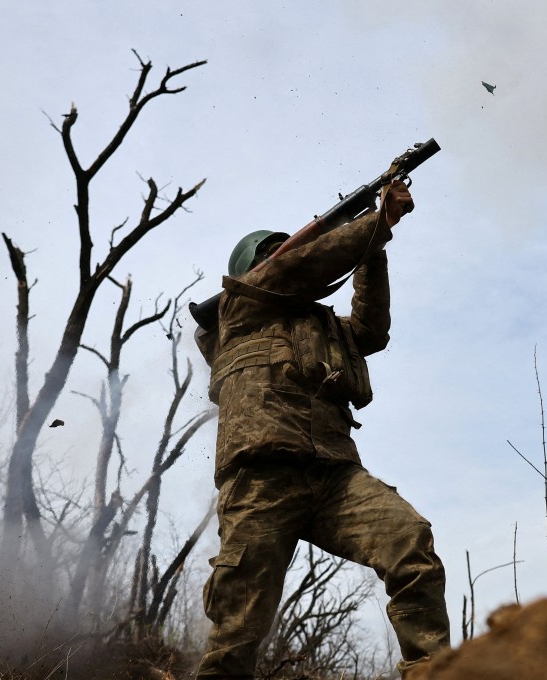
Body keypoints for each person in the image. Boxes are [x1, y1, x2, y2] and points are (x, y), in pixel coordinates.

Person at [194, 180, 450, 679]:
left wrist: (373, 248)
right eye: (276, 255)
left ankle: (435, 672)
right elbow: (296, 268)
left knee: (408, 540)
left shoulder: (324, 326)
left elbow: (372, 331)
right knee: (238, 624)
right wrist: (376, 224)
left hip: (333, 474)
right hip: (262, 477)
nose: (300, 254)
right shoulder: (238, 308)